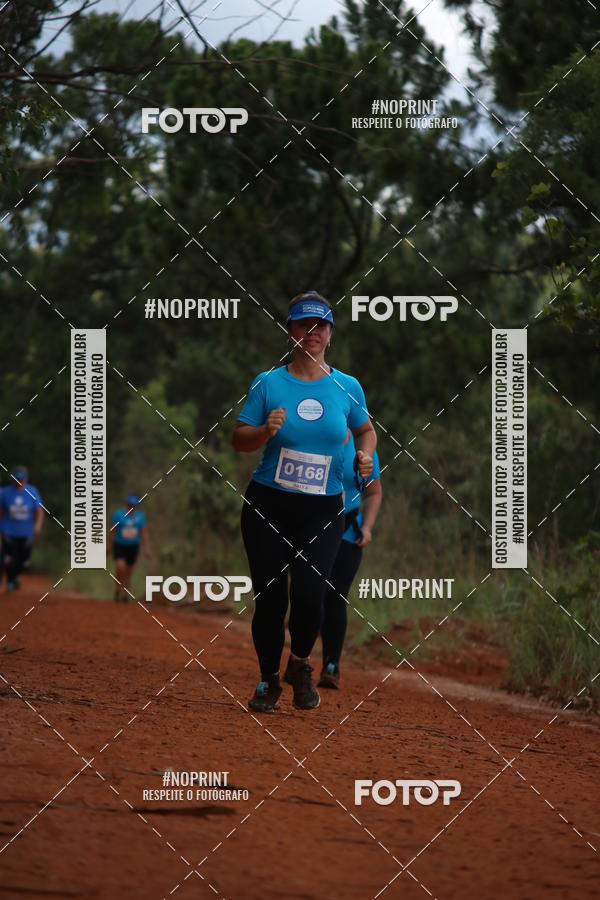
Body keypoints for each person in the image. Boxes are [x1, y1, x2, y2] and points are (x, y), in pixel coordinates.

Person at [232, 291, 377, 712]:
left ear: (330, 334)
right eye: (302, 325)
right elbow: (239, 439)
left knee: (313, 595)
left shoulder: (346, 387)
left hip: (324, 507)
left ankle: (299, 664)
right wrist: (263, 432)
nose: (311, 333)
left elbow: (365, 429)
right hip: (268, 506)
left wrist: (365, 455)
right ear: (291, 331)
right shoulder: (268, 383)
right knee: (272, 598)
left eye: (320, 326)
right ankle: (268, 681)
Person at [318, 431, 382, 690]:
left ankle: (331, 665)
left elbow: (374, 492)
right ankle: (296, 659)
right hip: (313, 532)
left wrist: (367, 527)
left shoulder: (363, 449)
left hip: (347, 532)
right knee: (308, 593)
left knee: (336, 596)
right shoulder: (313, 438)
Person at [0, 466, 44, 592]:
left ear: (26, 480)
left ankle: (16, 575)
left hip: (26, 531)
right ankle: (9, 581)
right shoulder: (4, 493)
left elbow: (39, 510)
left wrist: (38, 525)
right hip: (8, 530)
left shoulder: (32, 491)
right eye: (16, 480)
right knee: (7, 557)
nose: (19, 483)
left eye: (21, 480)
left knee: (24, 559)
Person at [108, 494, 151, 603]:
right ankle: (117, 590)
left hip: (133, 547)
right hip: (120, 545)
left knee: (128, 572)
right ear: (126, 504)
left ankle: (125, 594)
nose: (131, 507)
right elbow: (112, 531)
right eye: (130, 505)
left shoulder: (140, 517)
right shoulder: (118, 515)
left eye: (134, 506)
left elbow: (144, 533)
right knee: (120, 567)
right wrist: (109, 546)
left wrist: (147, 548)